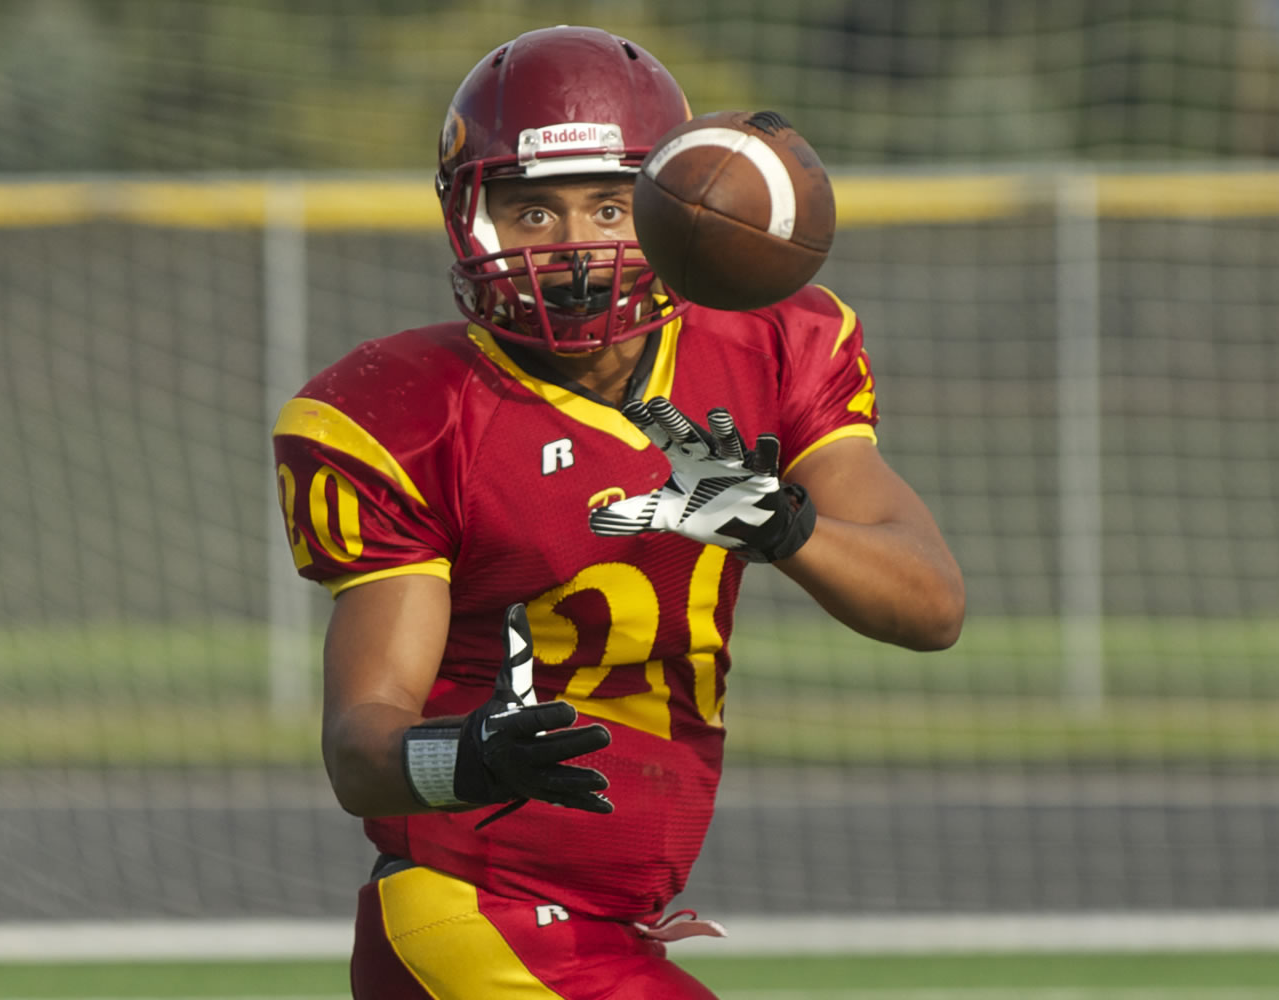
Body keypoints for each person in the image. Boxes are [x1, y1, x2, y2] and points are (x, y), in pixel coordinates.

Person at [272, 24, 964, 1000]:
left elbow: (933, 605)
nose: (573, 249)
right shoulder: (408, 413)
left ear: (671, 211)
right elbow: (360, 751)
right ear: (470, 217)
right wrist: (467, 755)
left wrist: (784, 526)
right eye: (531, 212)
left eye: (608, 205)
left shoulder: (771, 346)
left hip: (602, 926)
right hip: (478, 910)